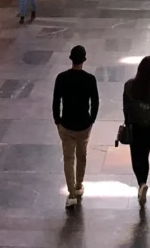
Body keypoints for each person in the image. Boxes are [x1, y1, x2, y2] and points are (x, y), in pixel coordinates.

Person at [53, 45, 99, 208]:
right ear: (84, 60)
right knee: (82, 155)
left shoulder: (61, 78)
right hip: (83, 125)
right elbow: (95, 103)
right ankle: (79, 185)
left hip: (66, 124)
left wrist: (57, 121)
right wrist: (91, 120)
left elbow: (56, 101)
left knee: (68, 159)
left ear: (71, 59)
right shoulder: (90, 79)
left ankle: (71, 194)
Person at [123, 56, 150, 207]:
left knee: (136, 158)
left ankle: (141, 184)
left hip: (135, 126)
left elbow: (126, 107)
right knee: (145, 156)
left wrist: (127, 121)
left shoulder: (130, 86)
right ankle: (143, 185)